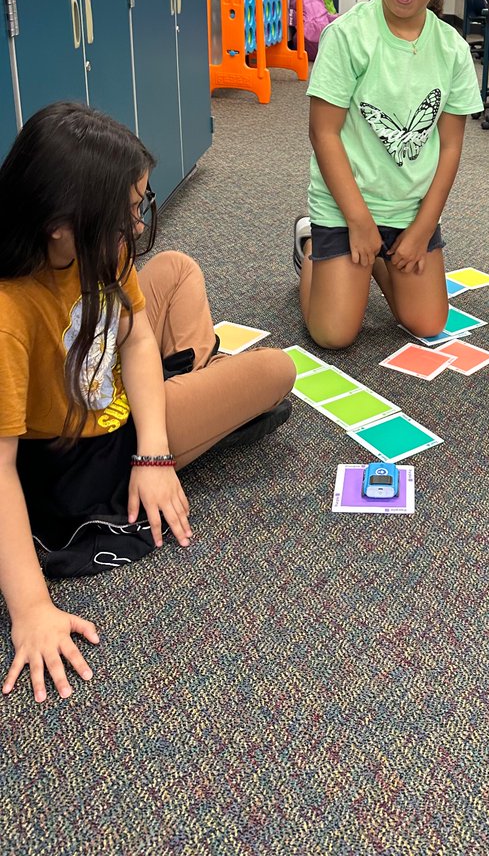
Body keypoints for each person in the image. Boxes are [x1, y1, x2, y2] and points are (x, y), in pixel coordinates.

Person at [0, 103, 296, 702]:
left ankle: (188, 388)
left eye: (138, 208)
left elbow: (133, 332)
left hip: (111, 391)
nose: (135, 229)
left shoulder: (87, 244)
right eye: (124, 217)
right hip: (86, 454)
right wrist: (31, 607)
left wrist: (157, 452)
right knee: (276, 369)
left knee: (178, 267)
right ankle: (194, 389)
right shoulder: (8, 315)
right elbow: (0, 471)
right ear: (61, 225)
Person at [293, 0, 484, 348]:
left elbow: (451, 148)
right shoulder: (348, 35)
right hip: (347, 204)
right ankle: (310, 249)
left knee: (428, 321)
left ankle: (375, 257)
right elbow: (323, 132)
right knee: (335, 334)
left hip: (408, 209)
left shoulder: (453, 50)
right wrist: (358, 221)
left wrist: (421, 230)